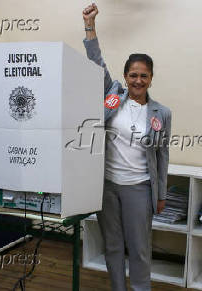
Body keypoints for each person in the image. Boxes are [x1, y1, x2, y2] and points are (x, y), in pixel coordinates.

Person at [82, 4, 172, 291]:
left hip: (139, 187)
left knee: (140, 247)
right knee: (112, 245)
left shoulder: (161, 113)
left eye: (144, 76)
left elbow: (163, 155)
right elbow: (95, 62)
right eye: (133, 75)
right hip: (108, 187)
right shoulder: (113, 96)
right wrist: (89, 25)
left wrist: (160, 194)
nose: (138, 80)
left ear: (151, 79)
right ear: (125, 76)